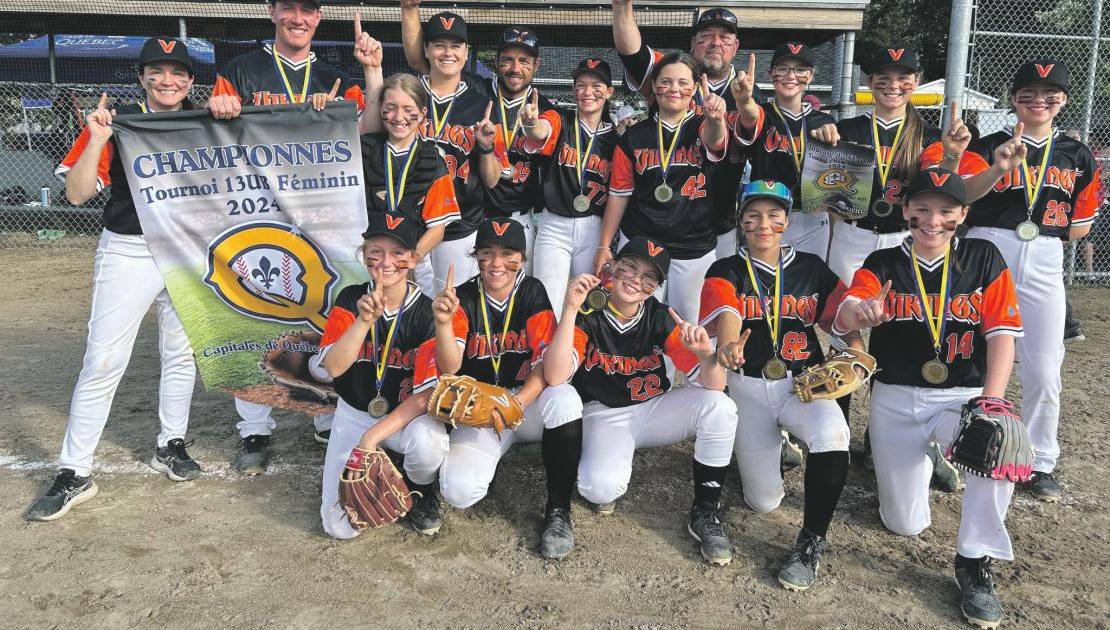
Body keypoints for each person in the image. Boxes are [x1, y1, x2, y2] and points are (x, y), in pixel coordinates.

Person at [834, 167, 1024, 629]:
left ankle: (974, 560)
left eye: (945, 209)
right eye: (921, 208)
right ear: (905, 211)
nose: (932, 219)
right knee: (904, 524)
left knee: (999, 444)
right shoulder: (883, 262)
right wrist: (859, 311)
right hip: (895, 398)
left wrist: (991, 401)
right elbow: (844, 316)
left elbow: (1001, 334)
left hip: (958, 396)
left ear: (963, 213)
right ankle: (926, 466)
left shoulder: (983, 257)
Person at [29, 37, 201, 522]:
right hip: (130, 248)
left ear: (190, 81)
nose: (167, 80)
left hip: (187, 252)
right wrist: (98, 141)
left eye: (177, 73)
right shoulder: (116, 120)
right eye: (157, 71)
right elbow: (78, 194)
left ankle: (171, 444)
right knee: (103, 359)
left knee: (181, 353)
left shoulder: (205, 120)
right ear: (142, 76)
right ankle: (74, 470)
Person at [207, 0, 374, 462]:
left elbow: (365, 131)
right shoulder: (240, 71)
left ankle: (322, 413)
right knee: (253, 315)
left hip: (320, 215)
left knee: (319, 311)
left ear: (319, 17)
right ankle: (254, 428)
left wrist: (350, 99)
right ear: (271, 11)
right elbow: (218, 139)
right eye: (288, 8)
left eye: (308, 9)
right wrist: (217, 109)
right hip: (257, 214)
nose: (298, 18)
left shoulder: (335, 77)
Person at [818, 46, 972, 491]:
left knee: (908, 330)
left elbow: (943, 186)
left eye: (904, 77)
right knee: (843, 334)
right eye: (883, 76)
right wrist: (818, 132)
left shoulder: (925, 133)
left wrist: (951, 157)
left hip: (904, 238)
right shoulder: (847, 126)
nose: (893, 85)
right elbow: (820, 185)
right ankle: (838, 436)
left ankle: (890, 437)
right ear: (868, 81)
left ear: (916, 80)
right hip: (852, 233)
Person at [699, 180, 862, 590]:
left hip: (802, 385)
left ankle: (811, 541)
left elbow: (840, 319)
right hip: (749, 388)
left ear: (787, 220)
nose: (763, 224)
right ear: (740, 222)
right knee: (762, 501)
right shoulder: (727, 269)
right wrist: (731, 343)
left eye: (774, 215)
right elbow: (727, 313)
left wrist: (856, 347)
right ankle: (775, 448)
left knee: (833, 434)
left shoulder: (810, 267)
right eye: (752, 216)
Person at [544, 238, 739, 566]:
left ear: (657, 286)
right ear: (613, 268)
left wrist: (707, 356)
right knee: (599, 489)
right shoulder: (589, 312)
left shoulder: (661, 317)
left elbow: (715, 385)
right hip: (604, 414)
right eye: (630, 268)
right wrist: (570, 309)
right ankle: (599, 456)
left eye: (649, 276)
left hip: (653, 410)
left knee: (721, 408)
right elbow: (556, 375)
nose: (636, 279)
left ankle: (706, 512)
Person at [960, 59, 1103, 502]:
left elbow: (1080, 226)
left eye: (1050, 94)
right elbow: (961, 197)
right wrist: (1001, 171)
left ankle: (1040, 460)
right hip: (987, 246)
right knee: (970, 353)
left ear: (1064, 100)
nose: (1039, 101)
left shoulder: (1077, 155)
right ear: (1012, 98)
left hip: (1043, 251)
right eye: (1028, 93)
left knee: (1044, 364)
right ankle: (962, 449)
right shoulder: (985, 145)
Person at [433, 219, 583, 559]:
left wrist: (516, 402)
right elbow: (450, 366)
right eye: (487, 253)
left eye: (507, 254)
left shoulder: (532, 292)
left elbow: (546, 364)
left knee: (565, 398)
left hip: (524, 403)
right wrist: (443, 324)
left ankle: (559, 510)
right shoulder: (464, 297)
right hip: (480, 411)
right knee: (459, 492)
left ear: (523, 259)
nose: (497, 263)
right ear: (476, 256)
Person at [317, 214, 448, 538]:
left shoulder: (425, 311)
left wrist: (372, 439)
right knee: (339, 528)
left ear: (413, 259)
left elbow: (425, 397)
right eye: (376, 252)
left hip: (405, 419)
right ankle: (384, 458)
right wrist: (362, 322)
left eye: (398, 253)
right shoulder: (350, 298)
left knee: (429, 443)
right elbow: (333, 368)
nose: (386, 262)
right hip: (355, 412)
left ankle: (420, 488)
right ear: (365, 255)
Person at [596, 52, 729, 324]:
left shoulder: (702, 126)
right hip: (641, 244)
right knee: (635, 324)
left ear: (695, 88)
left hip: (693, 248)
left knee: (691, 326)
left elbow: (715, 142)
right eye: (666, 82)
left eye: (683, 82)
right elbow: (619, 196)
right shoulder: (634, 135)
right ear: (654, 85)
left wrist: (716, 120)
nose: (674, 89)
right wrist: (603, 246)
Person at [611, 1, 752, 260]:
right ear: (692, 43)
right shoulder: (675, 76)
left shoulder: (746, 90)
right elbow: (632, 52)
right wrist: (622, 6)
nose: (715, 43)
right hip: (656, 217)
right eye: (706, 36)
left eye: (725, 37)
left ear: (736, 46)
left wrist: (821, 123)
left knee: (710, 294)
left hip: (720, 218)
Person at [398, 4, 494, 296]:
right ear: (426, 50)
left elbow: (490, 180)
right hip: (407, 222)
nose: (447, 53)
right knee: (403, 311)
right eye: (439, 45)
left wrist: (487, 148)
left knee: (451, 309)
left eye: (455, 46)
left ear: (466, 52)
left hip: (460, 226)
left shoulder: (482, 102)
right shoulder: (408, 95)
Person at [525, 58, 620, 311]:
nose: (587, 92)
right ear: (573, 90)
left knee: (592, 302)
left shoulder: (617, 140)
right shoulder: (561, 119)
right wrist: (530, 124)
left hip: (594, 227)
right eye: (581, 85)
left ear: (609, 92)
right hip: (554, 224)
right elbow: (540, 131)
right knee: (548, 300)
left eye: (596, 85)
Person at [729, 42, 839, 260]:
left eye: (800, 69)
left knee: (808, 284)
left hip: (814, 217)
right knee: (767, 280)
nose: (791, 76)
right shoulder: (764, 113)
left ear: (811, 75)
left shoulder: (824, 121)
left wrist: (834, 136)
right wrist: (743, 101)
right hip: (768, 214)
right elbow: (750, 117)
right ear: (771, 74)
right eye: (783, 69)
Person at [359, 67, 461, 295]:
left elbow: (437, 229)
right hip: (366, 261)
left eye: (408, 109)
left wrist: (408, 261)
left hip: (413, 263)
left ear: (423, 113)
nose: (399, 117)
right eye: (390, 108)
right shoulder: (364, 150)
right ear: (381, 110)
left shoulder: (433, 160)